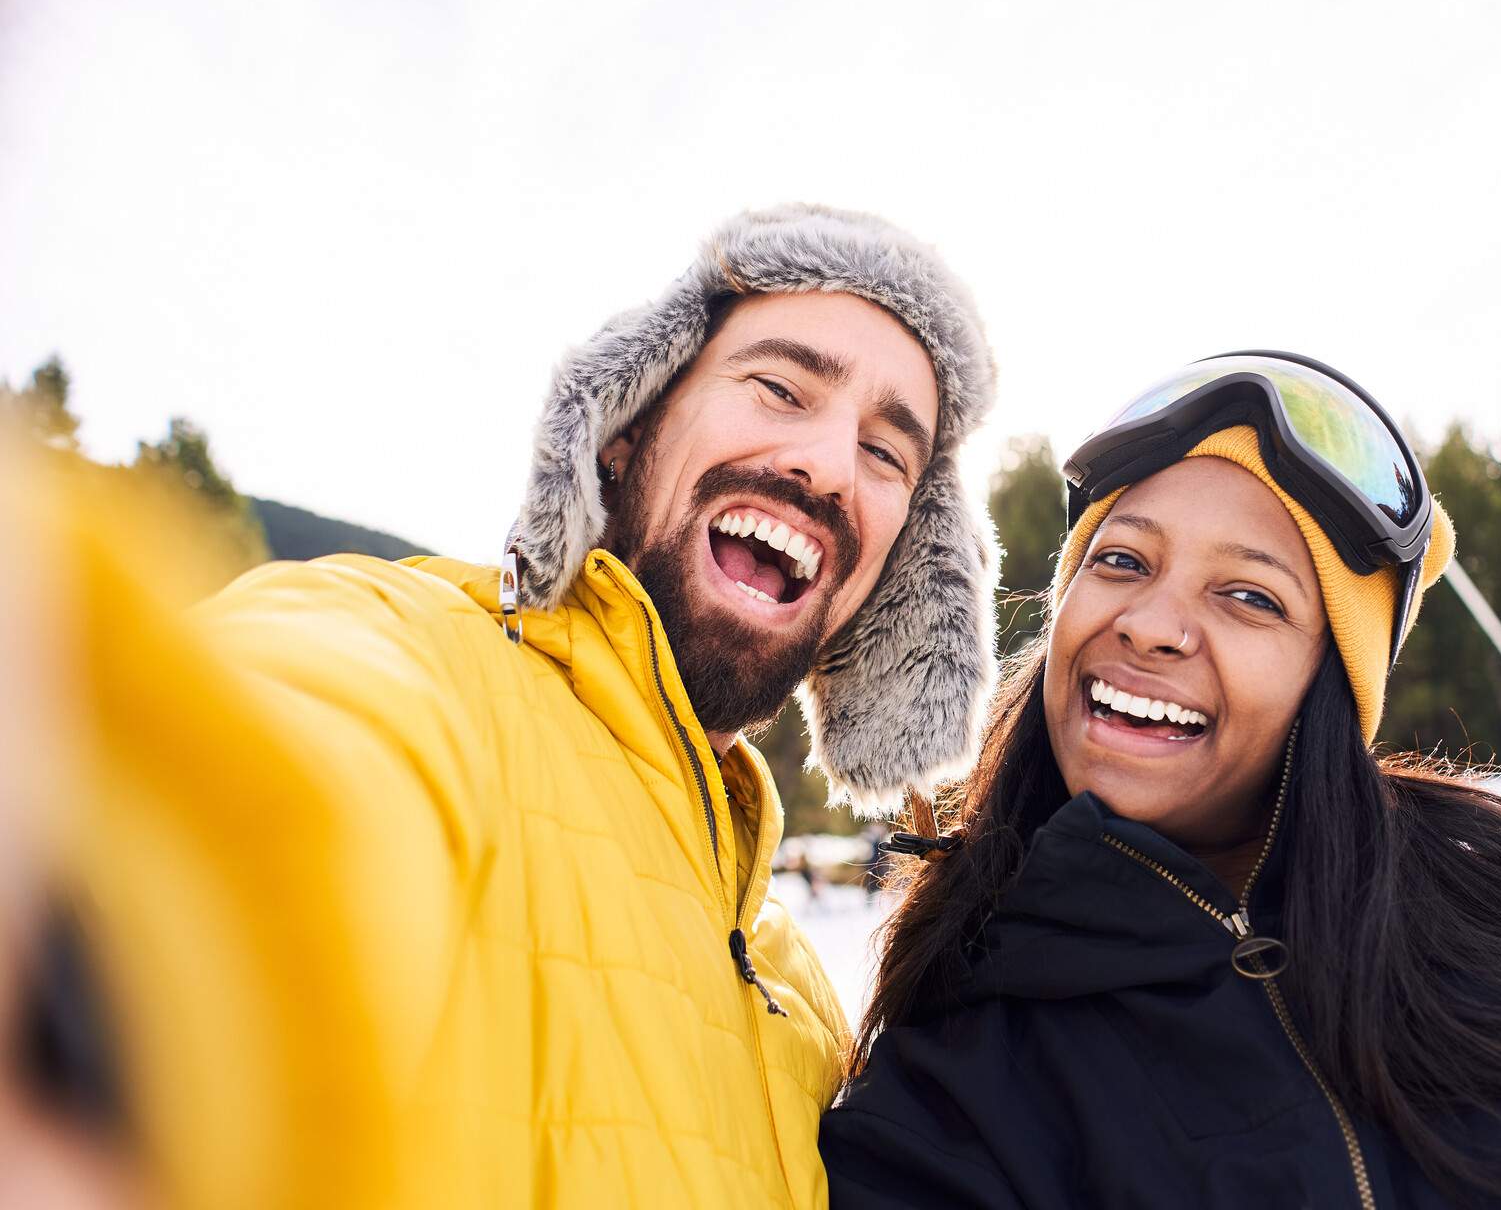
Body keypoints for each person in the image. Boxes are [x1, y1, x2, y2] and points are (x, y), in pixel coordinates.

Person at [21, 205, 1001, 1208]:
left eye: (888, 453)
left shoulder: (804, 997)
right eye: (781, 387)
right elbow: (278, 760)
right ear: (627, 429)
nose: (831, 464)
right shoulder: (422, 655)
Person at [820, 352, 1501, 1208]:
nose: (1153, 625)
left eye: (1250, 596)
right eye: (1123, 561)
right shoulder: (959, 1090)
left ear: (1329, 684)